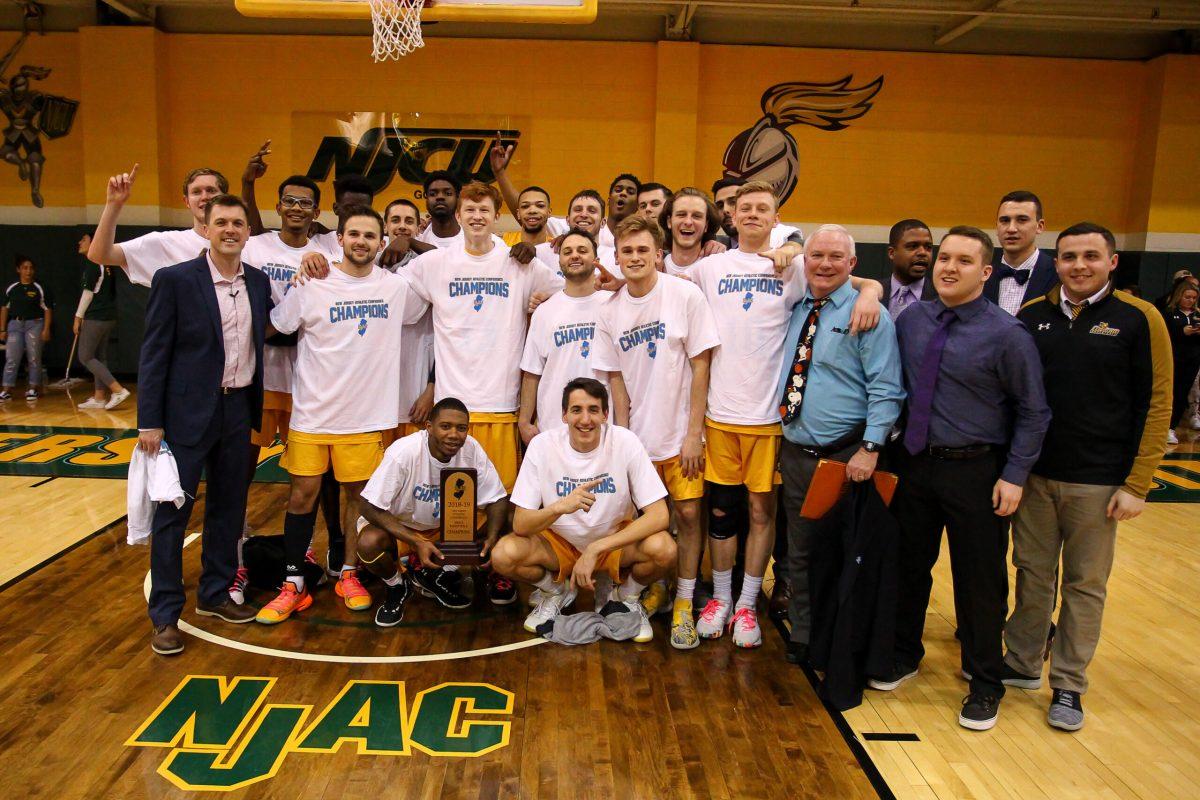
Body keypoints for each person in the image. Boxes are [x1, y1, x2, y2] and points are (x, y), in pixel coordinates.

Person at [871, 225, 1050, 732]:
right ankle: (904, 654)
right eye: (944, 257)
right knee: (907, 568)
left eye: (963, 261)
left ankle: (985, 680)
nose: (948, 267)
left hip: (976, 470)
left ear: (986, 272)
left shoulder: (1006, 335)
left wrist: (1014, 476)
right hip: (914, 464)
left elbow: (1034, 412)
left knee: (980, 582)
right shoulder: (912, 322)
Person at [689, 182, 882, 649]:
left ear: (777, 218)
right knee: (721, 513)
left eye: (763, 208)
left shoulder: (795, 265)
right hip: (719, 417)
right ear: (731, 215)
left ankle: (749, 605)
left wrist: (873, 289)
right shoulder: (708, 268)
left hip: (770, 421)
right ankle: (720, 598)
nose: (753, 214)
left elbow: (848, 281)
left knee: (762, 512)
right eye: (745, 207)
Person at [1010, 221, 1172, 731]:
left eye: (1090, 256)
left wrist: (1137, 482)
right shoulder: (1032, 316)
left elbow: (1158, 402)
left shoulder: (1140, 319)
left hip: (1099, 483)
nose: (1079, 265)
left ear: (1112, 262)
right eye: (1069, 256)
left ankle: (1069, 684)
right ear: (1055, 262)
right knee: (1032, 574)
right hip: (1035, 476)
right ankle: (1019, 665)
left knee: (1085, 585)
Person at [256, 205, 428, 624]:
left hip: (366, 416)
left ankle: (348, 573)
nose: (362, 242)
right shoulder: (313, 283)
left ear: (382, 242)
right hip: (312, 413)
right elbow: (275, 326)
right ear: (340, 239)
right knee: (302, 496)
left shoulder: (397, 288)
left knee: (359, 499)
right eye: (354, 234)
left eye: (370, 236)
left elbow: (437, 303)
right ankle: (294, 583)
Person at [404, 181, 563, 605]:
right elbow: (389, 300)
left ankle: (498, 572)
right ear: (458, 216)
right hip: (455, 406)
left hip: (501, 398)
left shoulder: (520, 262)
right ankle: (456, 572)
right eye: (469, 209)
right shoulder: (434, 264)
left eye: (485, 210)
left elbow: (567, 291)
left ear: (497, 216)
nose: (476, 216)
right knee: (459, 498)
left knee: (503, 498)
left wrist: (541, 300)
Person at [136, 194, 271, 654]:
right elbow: (154, 353)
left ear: (247, 232)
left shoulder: (258, 281)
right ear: (207, 229)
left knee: (229, 510)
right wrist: (149, 420)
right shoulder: (175, 280)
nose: (230, 230)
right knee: (173, 514)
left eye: (238, 223)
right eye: (222, 223)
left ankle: (214, 594)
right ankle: (166, 615)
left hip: (237, 411)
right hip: (183, 415)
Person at [776, 225, 905, 665]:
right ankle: (805, 632)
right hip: (795, 451)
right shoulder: (796, 306)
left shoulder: (868, 314)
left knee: (844, 554)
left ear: (852, 265)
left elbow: (886, 388)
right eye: (817, 256)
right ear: (805, 261)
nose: (824, 264)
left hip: (845, 455)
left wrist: (870, 448)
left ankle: (842, 638)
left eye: (836, 257)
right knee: (800, 547)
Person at [592, 214, 720, 649]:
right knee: (646, 526)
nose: (634, 257)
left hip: (680, 436)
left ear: (658, 253)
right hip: (639, 440)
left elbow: (701, 366)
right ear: (616, 256)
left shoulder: (684, 295)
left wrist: (692, 433)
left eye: (642, 249)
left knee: (687, 516)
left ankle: (684, 601)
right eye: (626, 251)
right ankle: (649, 590)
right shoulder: (608, 309)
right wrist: (623, 445)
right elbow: (616, 383)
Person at [491, 378, 676, 641]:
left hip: (612, 543)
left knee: (665, 549)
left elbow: (660, 514)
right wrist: (558, 508)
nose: (585, 419)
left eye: (593, 410)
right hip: (560, 545)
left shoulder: (625, 441)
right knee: (504, 554)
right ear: (564, 415)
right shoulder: (543, 446)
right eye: (576, 410)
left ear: (605, 415)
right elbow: (521, 523)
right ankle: (556, 591)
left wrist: (596, 548)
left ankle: (625, 597)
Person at [236, 174, 345, 601]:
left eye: (305, 203)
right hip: (260, 376)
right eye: (289, 201)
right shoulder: (255, 247)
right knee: (242, 467)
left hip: (310, 381)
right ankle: (237, 548)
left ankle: (332, 544)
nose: (297, 208)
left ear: (317, 212)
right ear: (278, 206)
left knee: (321, 475)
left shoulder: (331, 251)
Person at [356, 397, 509, 626]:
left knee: (509, 516)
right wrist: (416, 541)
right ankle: (398, 585)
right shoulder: (404, 452)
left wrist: (493, 538)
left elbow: (496, 498)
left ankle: (437, 573)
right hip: (405, 529)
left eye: (461, 428)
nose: (454, 434)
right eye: (445, 426)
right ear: (429, 427)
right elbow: (367, 505)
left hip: (446, 528)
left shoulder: (471, 449)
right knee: (369, 542)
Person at [519, 228, 609, 442]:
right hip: (553, 428)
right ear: (559, 261)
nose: (574, 255)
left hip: (604, 427)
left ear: (595, 259)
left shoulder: (613, 304)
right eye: (567, 252)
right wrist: (524, 421)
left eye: (582, 250)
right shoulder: (545, 310)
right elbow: (532, 372)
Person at [87, 163, 229, 287]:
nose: (204, 196)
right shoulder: (166, 243)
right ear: (186, 201)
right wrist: (113, 205)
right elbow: (99, 255)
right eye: (196, 192)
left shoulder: (246, 243)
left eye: (211, 190)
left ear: (225, 198)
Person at [381, 198, 436, 442]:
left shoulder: (432, 266)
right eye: (395, 220)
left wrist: (431, 391)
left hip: (417, 388)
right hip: (377, 393)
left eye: (409, 221)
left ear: (419, 227)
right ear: (384, 226)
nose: (402, 226)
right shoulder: (368, 263)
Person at [73, 235, 130, 410]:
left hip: (96, 317)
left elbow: (88, 293)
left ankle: (117, 389)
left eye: (83, 240)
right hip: (109, 316)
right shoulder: (107, 265)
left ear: (93, 242)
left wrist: (78, 317)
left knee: (85, 356)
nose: (79, 242)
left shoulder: (92, 263)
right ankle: (99, 397)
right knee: (99, 356)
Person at [985, 190, 1058, 314]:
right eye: (1005, 220)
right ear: (996, 227)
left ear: (1040, 226)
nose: (1011, 229)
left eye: (1022, 220)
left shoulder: (1058, 273)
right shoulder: (980, 272)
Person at [1, 255, 52, 402]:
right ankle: (7, 389)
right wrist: (2, 329)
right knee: (12, 357)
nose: (28, 271)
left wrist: (46, 329)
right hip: (15, 325)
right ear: (18, 270)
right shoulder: (12, 289)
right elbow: (4, 308)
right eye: (25, 268)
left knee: (34, 357)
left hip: (34, 324)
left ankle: (33, 388)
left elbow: (47, 309)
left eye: (30, 268)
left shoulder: (39, 288)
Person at [711, 176, 804, 251]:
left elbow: (799, 243)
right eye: (719, 205)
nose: (725, 210)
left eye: (732, 202)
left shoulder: (782, 236)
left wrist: (790, 248)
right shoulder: (715, 246)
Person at [661, 187, 724, 279]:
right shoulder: (654, 266)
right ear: (669, 222)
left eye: (696, 216)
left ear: (706, 225)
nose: (688, 222)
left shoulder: (719, 266)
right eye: (681, 214)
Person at [1165, 280, 1200, 443]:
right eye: (1187, 297)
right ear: (1179, 296)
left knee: (1182, 394)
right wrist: (1181, 332)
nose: (1191, 301)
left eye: (1194, 298)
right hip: (1172, 358)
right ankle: (1162, 426)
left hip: (1192, 360)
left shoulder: (1197, 314)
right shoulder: (1169, 313)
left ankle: (1171, 428)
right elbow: (1165, 335)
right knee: (1168, 393)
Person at [883, 219, 936, 319]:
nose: (923, 253)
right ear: (891, 253)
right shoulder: (871, 292)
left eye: (928, 247)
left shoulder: (942, 297)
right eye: (913, 246)